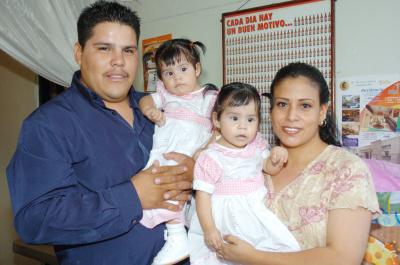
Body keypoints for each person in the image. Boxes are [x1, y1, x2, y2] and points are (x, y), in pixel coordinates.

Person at [6, 1, 194, 265]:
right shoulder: (48, 125)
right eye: (104, 48)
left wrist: (197, 170)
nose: (118, 61)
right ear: (79, 52)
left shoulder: (162, 109)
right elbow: (35, 220)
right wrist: (133, 196)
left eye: (128, 50)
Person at [217, 63, 380, 265]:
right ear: (271, 111)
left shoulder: (346, 171)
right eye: (282, 104)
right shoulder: (250, 161)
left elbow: (343, 258)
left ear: (322, 112)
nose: (291, 116)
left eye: (305, 105)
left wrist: (253, 257)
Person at [188, 82, 300, 265]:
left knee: (270, 250)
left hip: (255, 212)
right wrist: (209, 229)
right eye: (234, 118)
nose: (242, 126)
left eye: (250, 120)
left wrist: (276, 158)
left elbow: (267, 168)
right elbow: (202, 197)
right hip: (223, 218)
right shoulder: (211, 157)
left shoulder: (257, 146)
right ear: (217, 120)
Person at [138, 38, 218, 264]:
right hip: (166, 151)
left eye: (183, 69)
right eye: (169, 73)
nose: (177, 77)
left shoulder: (208, 96)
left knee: (181, 194)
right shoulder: (166, 96)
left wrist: (203, 150)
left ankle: (182, 238)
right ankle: (176, 235)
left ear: (197, 69)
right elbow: (145, 100)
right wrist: (151, 111)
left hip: (193, 152)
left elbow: (221, 127)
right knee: (162, 190)